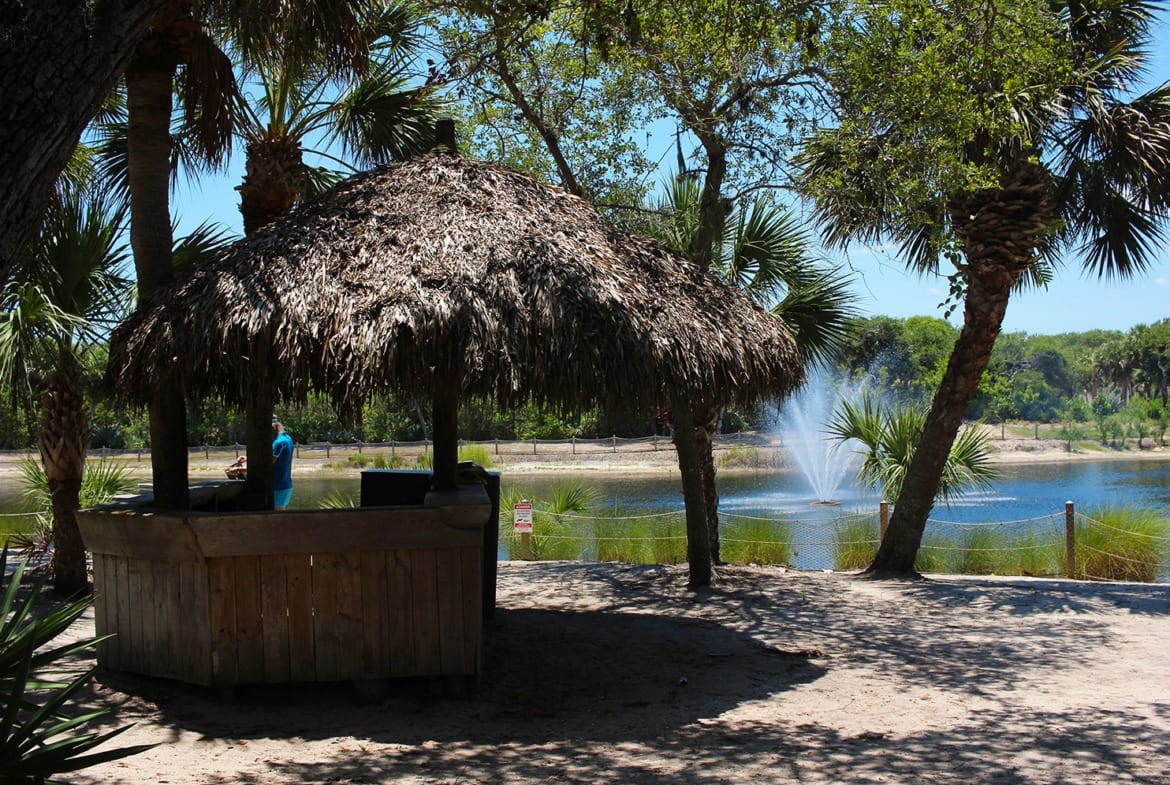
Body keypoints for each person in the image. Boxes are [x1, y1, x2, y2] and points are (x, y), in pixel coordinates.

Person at [272, 417, 294, 510]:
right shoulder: (287, 438)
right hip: (286, 484)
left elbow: (265, 465)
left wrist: (240, 469)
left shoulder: (278, 442)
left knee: (277, 519)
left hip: (278, 486)